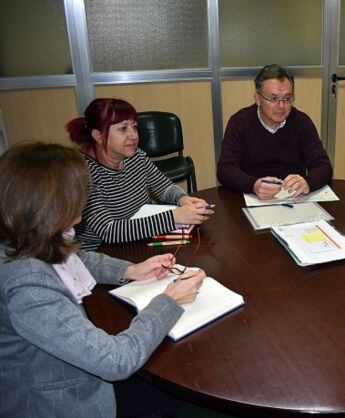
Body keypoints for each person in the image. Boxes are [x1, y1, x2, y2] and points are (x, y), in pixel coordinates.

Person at [0, 142, 206, 417]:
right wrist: (169, 300)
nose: (82, 210)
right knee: (171, 389)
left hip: (74, 364)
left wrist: (129, 270)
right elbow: (116, 361)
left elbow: (73, 257)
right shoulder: (28, 288)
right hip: (63, 400)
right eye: (77, 197)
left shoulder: (23, 237)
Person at [67, 98, 213, 250]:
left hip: (140, 238)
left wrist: (182, 199)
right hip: (104, 251)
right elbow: (109, 231)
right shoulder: (83, 174)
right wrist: (173, 217)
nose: (133, 135)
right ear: (98, 136)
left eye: (134, 127)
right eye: (123, 129)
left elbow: (163, 186)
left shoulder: (136, 156)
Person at [217, 64, 333, 200]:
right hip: (252, 196)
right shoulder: (240, 122)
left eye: (287, 98)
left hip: (293, 197)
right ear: (258, 99)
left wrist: (307, 182)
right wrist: (253, 185)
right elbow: (225, 169)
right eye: (273, 99)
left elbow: (324, 166)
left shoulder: (301, 122)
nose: (282, 106)